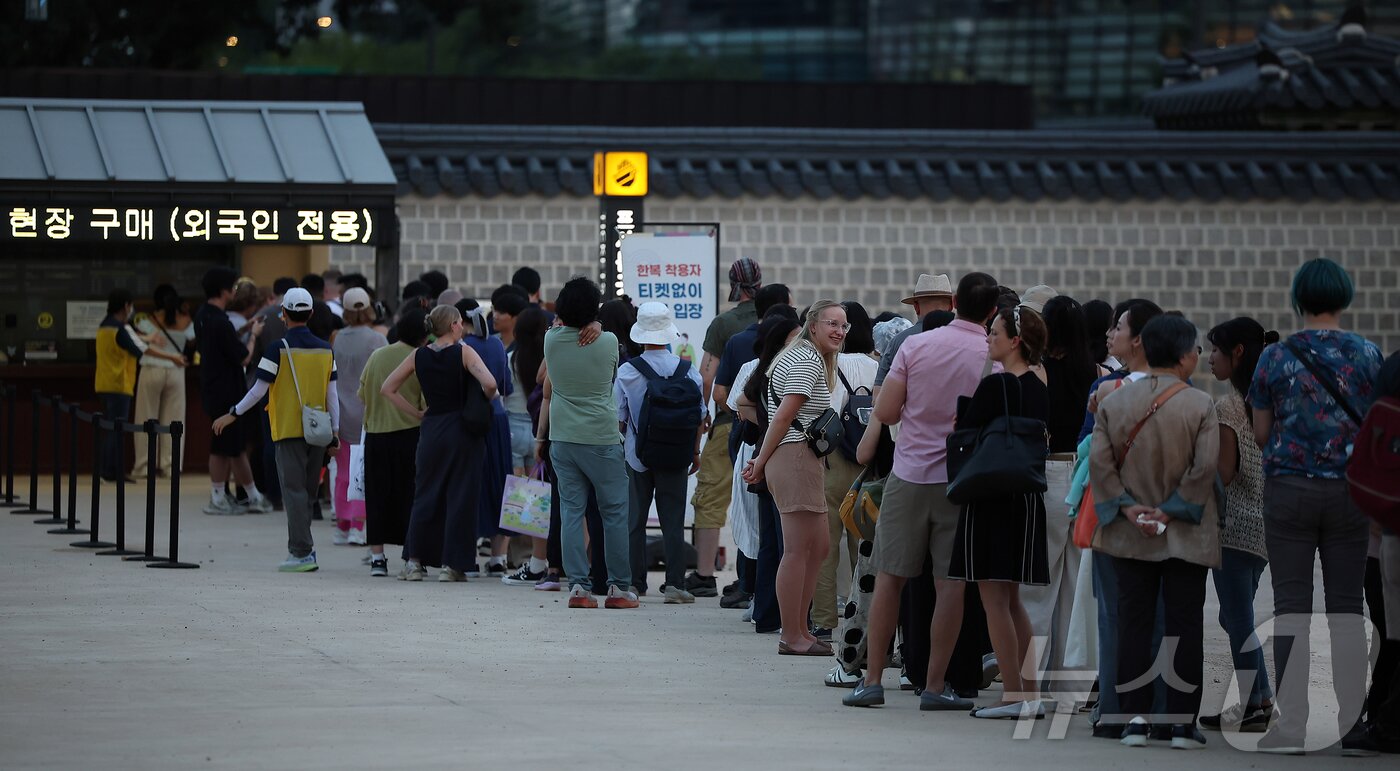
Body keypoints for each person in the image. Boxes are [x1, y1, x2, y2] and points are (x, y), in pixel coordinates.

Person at [843, 271, 1000, 709]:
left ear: (954, 302)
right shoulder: (993, 355)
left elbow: (888, 410)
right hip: (961, 481)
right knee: (951, 585)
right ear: (990, 311)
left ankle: (872, 680)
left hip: (908, 474)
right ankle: (935, 686)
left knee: (890, 579)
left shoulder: (915, 345)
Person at [1248, 258, 1383, 756]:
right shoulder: (1369, 355)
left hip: (1289, 492)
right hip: (1351, 495)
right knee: (1348, 609)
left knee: (1291, 610)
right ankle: (1351, 726)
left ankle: (1292, 726)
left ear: (1299, 298)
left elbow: (1261, 434)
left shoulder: (1275, 358)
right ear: (1343, 298)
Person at [1089, 314, 1220, 750]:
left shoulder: (1114, 401)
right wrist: (1171, 511)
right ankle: (1181, 721)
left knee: (1133, 623)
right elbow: (1205, 471)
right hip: (1185, 533)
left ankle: (1134, 718)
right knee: (1183, 623)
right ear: (1184, 355)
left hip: (1130, 532)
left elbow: (1101, 467)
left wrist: (1127, 509)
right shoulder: (1200, 405)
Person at [948, 305, 1051, 720]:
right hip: (1025, 494)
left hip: (990, 495)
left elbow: (964, 431)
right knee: (1013, 600)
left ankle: (1012, 694)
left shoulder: (996, 386)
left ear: (1016, 341)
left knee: (994, 599)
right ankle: (1029, 690)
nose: (988, 338)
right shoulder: (1040, 386)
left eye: (995, 333)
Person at [743, 299, 847, 656]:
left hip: (798, 458)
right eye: (832, 323)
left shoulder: (800, 353)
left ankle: (799, 629)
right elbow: (784, 417)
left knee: (816, 548)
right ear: (813, 325)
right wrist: (760, 460)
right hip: (795, 456)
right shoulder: (806, 359)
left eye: (843, 325)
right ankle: (791, 635)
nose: (839, 331)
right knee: (798, 551)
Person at [214, 288, 340, 572]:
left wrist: (234, 413)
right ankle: (304, 548)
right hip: (319, 430)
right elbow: (333, 396)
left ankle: (301, 552)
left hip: (287, 429)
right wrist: (336, 431)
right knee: (307, 493)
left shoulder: (277, 348)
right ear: (309, 314)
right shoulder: (325, 349)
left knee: (293, 492)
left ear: (283, 314)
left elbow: (258, 390)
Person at [539, 277, 637, 609]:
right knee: (613, 513)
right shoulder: (608, 341)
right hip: (601, 438)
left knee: (571, 512)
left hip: (562, 438)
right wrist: (595, 322)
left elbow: (560, 324)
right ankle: (619, 588)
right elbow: (611, 374)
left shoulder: (550, 340)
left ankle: (578, 587)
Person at [381, 305, 497, 582]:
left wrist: (417, 413)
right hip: (462, 429)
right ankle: (452, 565)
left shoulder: (418, 355)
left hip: (432, 427)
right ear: (455, 325)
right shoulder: (463, 352)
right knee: (460, 495)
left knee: (425, 493)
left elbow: (387, 388)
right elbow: (490, 383)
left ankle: (414, 562)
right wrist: (481, 401)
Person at [1201, 317, 1278, 732]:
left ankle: (1252, 704)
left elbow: (1224, 474)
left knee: (1237, 620)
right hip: (1263, 528)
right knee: (1235, 618)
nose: (1209, 358)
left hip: (1232, 529)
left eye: (1215, 349)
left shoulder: (1228, 406)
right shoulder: (1269, 400)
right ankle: (1261, 699)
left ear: (1238, 353)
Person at [1020, 295, 1098, 701]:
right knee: (1074, 587)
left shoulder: (1038, 371)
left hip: (1047, 473)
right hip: (1085, 479)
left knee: (1036, 586)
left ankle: (1028, 680)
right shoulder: (1096, 373)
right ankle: (1071, 688)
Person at [615, 302, 707, 603]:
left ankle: (634, 583)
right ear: (669, 332)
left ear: (640, 335)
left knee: (635, 521)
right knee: (672, 520)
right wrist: (694, 453)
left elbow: (620, 417)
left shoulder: (628, 371)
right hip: (677, 455)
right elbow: (699, 418)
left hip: (637, 455)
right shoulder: (687, 370)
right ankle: (675, 585)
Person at [687, 257, 764, 598]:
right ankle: (756, 578)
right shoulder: (780, 321)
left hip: (726, 423)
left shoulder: (723, 324)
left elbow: (707, 376)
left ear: (732, 284)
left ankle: (704, 575)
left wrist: (702, 416)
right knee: (761, 502)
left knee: (711, 498)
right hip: (772, 426)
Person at [811, 300, 878, 638]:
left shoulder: (828, 364)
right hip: (870, 465)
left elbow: (823, 412)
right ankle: (865, 625)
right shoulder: (875, 366)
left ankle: (823, 621)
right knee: (865, 547)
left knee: (826, 545)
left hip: (833, 460)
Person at [734, 314, 804, 634]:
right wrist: (773, 424)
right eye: (795, 338)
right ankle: (783, 616)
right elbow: (740, 402)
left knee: (771, 543)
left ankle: (765, 613)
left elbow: (741, 403)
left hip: (763, 455)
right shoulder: (788, 370)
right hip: (781, 458)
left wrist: (764, 423)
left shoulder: (764, 371)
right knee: (785, 542)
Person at [195, 268, 271, 515]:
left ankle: (245, 495)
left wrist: (243, 328)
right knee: (230, 445)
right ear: (224, 290)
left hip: (212, 387)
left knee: (227, 444)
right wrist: (253, 336)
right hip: (229, 390)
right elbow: (243, 358)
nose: (235, 291)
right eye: (233, 287)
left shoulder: (204, 316)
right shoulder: (220, 321)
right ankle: (238, 496)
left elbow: (221, 344)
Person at [358, 310, 428, 577]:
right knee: (410, 496)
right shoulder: (419, 359)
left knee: (376, 496)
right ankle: (412, 556)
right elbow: (425, 402)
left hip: (376, 434)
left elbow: (362, 394)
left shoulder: (377, 356)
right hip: (410, 434)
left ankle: (377, 558)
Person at [458, 301, 514, 577]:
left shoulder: (462, 348)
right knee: (500, 485)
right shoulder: (496, 345)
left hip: (468, 422)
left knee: (469, 486)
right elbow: (507, 384)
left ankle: (467, 554)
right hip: (499, 420)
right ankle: (498, 557)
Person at [499, 306, 554, 587]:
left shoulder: (510, 357)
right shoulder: (548, 359)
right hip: (537, 429)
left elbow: (501, 391)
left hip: (512, 427)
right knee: (539, 497)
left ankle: (516, 556)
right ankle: (539, 558)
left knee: (517, 496)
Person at [329, 288, 387, 547]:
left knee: (342, 472)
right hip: (367, 412)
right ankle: (357, 526)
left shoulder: (336, 337)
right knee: (362, 471)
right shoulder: (377, 339)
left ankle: (342, 525)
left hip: (340, 412)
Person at [132, 285, 194, 479]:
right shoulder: (186, 321)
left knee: (145, 417)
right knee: (174, 420)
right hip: (176, 372)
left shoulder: (149, 322)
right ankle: (170, 466)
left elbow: (139, 342)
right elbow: (193, 340)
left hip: (151, 369)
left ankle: (144, 466)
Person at [95, 289, 147, 481]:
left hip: (103, 382)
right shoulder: (119, 329)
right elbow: (137, 351)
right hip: (119, 384)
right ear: (126, 305)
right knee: (116, 430)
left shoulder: (103, 326)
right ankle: (112, 471)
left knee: (109, 429)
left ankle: (107, 469)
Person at [873, 273, 955, 393]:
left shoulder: (898, 341)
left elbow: (878, 395)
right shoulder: (967, 340)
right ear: (951, 305)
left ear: (916, 307)